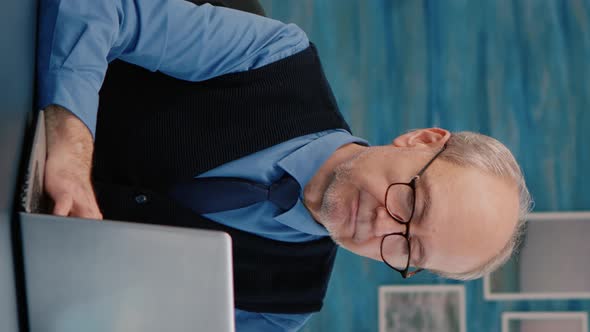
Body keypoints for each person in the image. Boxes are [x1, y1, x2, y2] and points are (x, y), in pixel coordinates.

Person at [37, 0, 532, 331]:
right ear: (421, 140)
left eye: (408, 249)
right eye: (411, 201)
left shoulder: (286, 307)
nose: (384, 225)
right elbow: (105, 8)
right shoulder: (275, 58)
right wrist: (70, 139)